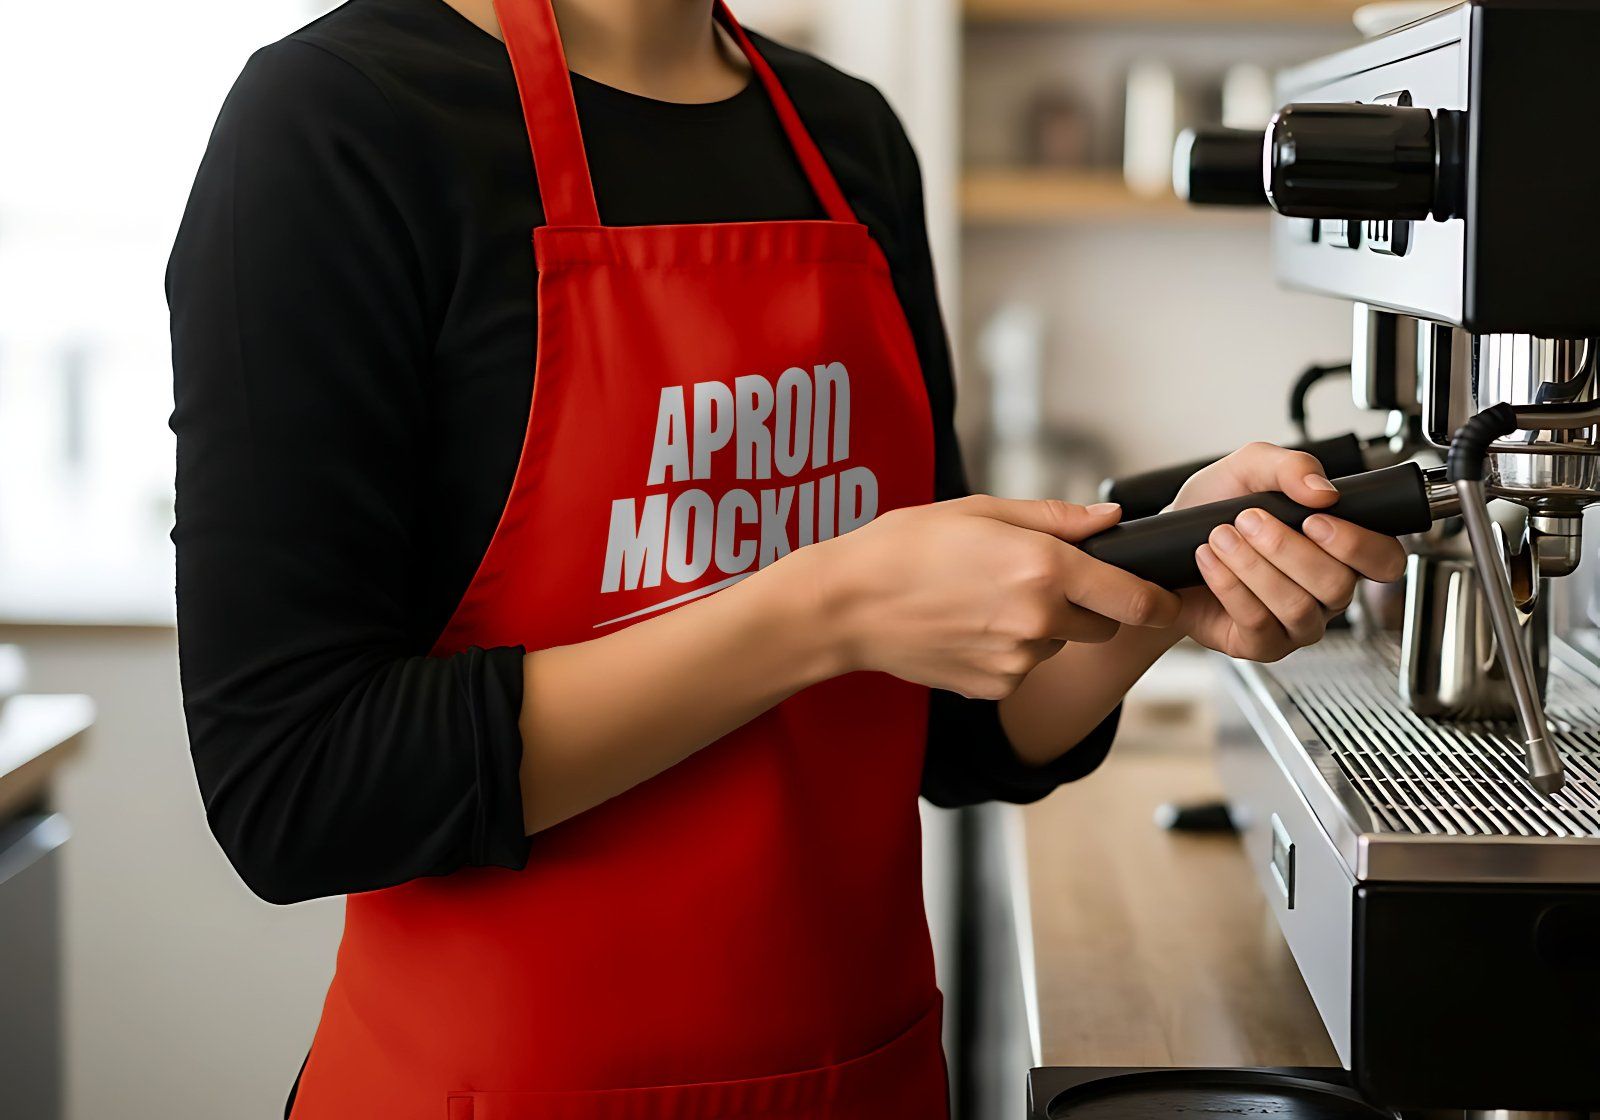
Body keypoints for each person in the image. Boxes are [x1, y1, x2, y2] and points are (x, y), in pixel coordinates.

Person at [166, 0, 1406, 1115]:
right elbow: (295, 786)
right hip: (496, 1091)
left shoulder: (846, 136)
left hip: (860, 1085)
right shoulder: (338, 123)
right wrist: (827, 608)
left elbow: (941, 727)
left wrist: (1170, 587)